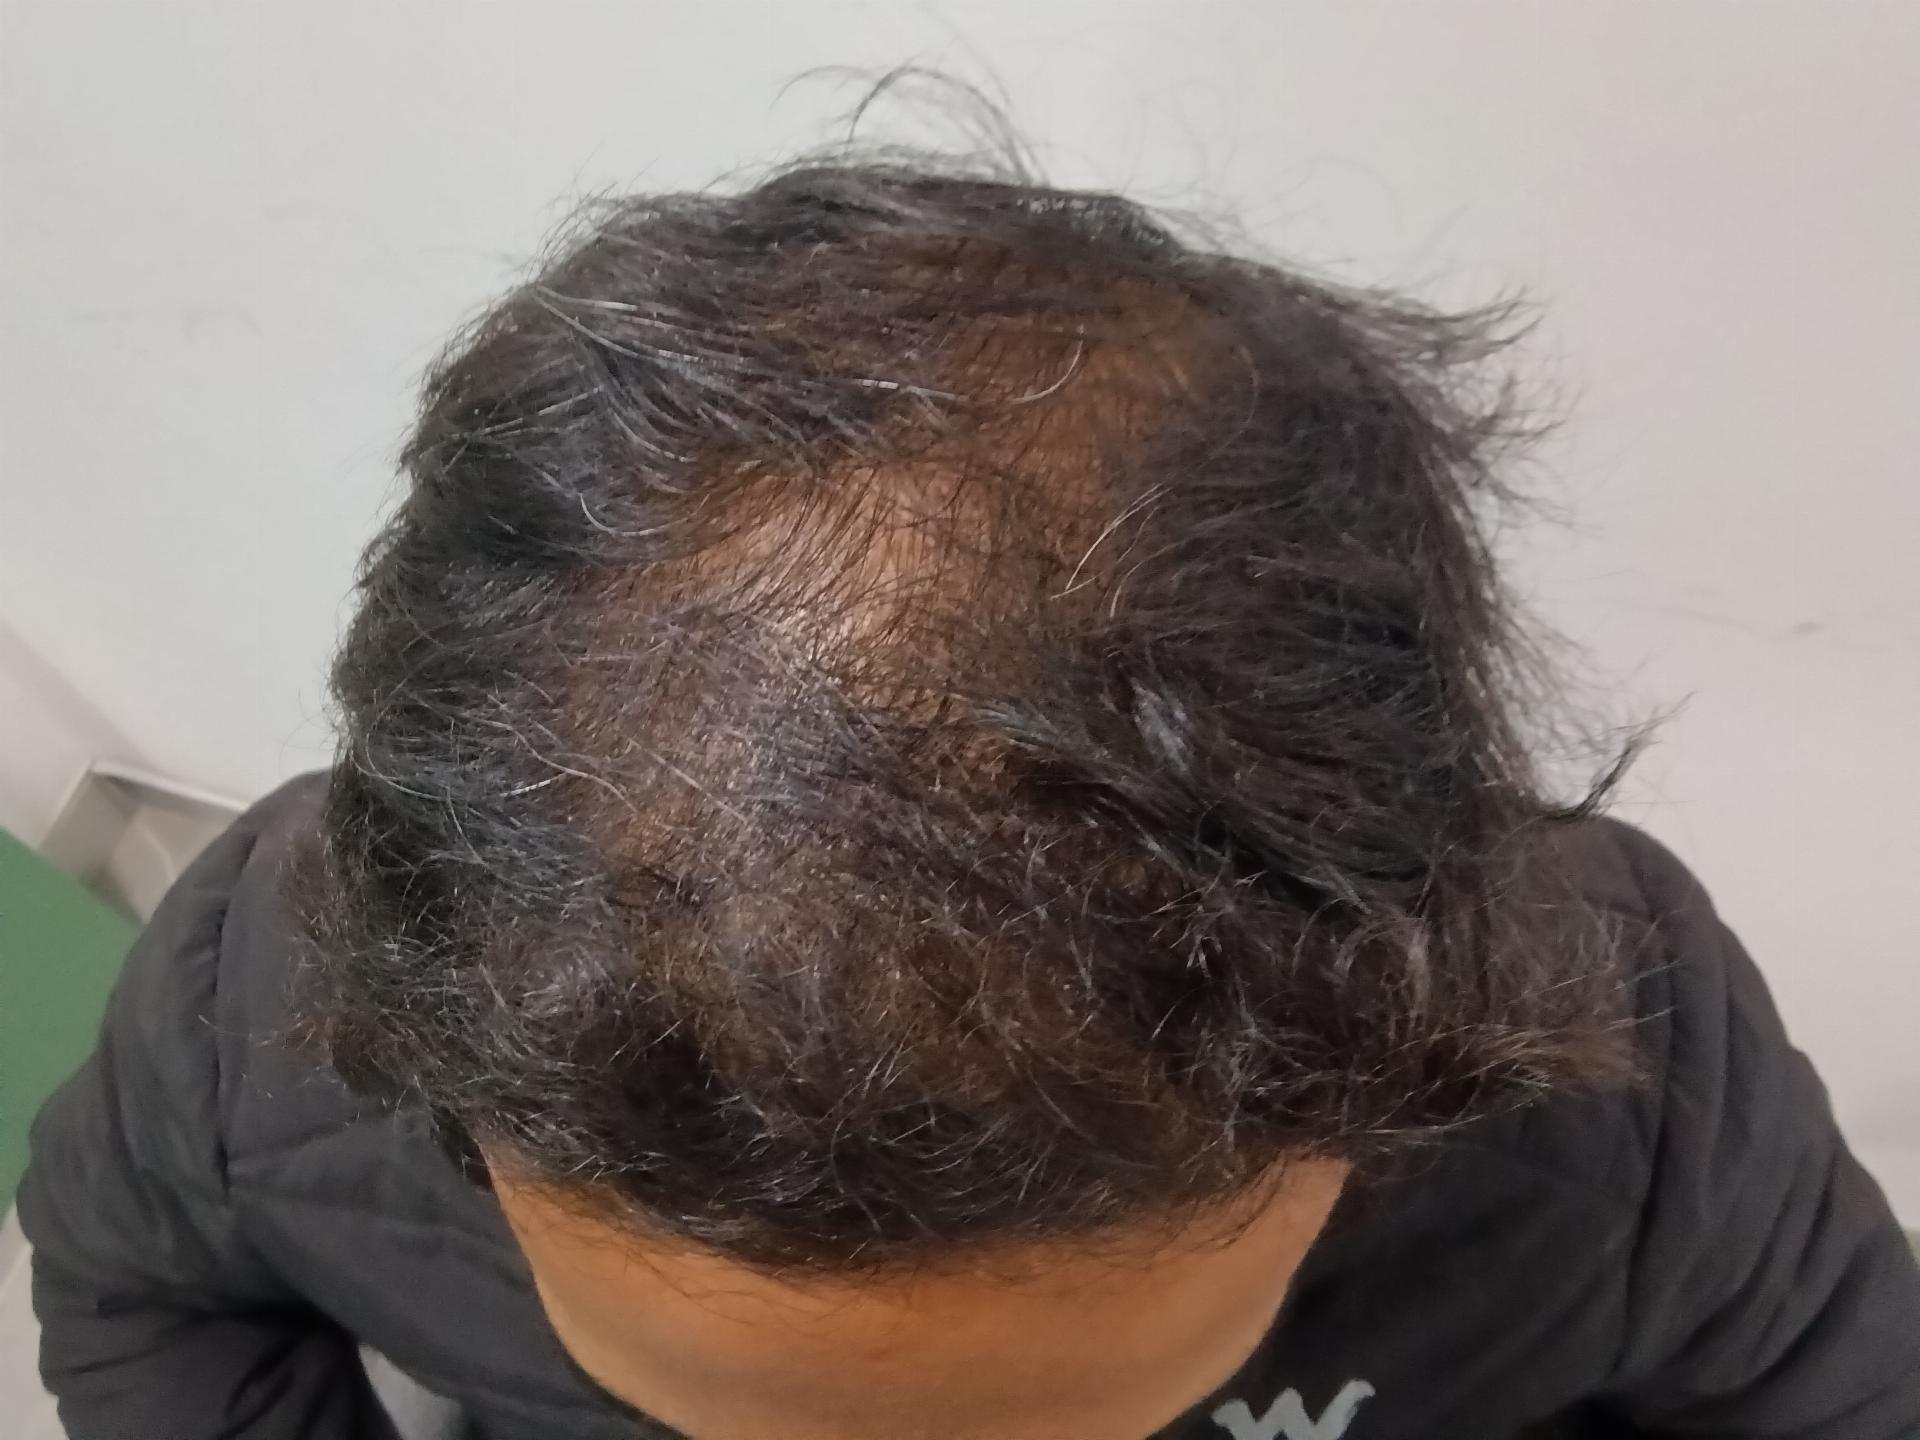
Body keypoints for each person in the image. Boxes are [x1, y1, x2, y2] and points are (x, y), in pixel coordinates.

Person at [21, 144, 1920, 1440]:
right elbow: (139, 1296)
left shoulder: (1623, 1076)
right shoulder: (253, 1012)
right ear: (431, 1080)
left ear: (1409, 1066)